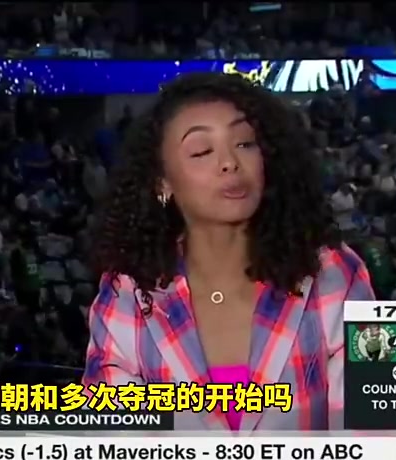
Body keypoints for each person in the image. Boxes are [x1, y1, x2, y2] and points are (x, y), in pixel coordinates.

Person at [85, 73, 375, 432]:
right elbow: (114, 439)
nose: (229, 163)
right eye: (201, 151)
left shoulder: (335, 272)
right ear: (163, 183)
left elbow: (384, 432)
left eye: (245, 143)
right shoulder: (127, 291)